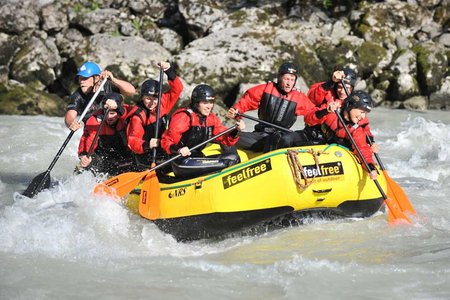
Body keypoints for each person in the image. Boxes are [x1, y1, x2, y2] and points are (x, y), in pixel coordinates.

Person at [226, 62, 315, 152]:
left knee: (279, 139)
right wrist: (236, 111)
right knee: (229, 136)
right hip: (260, 135)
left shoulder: (299, 98)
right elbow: (247, 100)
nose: (289, 83)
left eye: (292, 80)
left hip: (281, 138)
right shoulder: (266, 89)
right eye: (287, 79)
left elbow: (313, 113)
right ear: (280, 78)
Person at [161, 84, 245, 178]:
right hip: (182, 162)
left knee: (233, 157)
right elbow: (166, 141)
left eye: (211, 102)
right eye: (205, 103)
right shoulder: (183, 117)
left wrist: (236, 131)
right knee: (229, 162)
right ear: (196, 103)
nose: (209, 106)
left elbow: (225, 138)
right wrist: (179, 149)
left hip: (198, 158)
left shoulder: (210, 118)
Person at [305, 90, 378, 179]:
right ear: (351, 106)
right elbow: (308, 119)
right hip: (318, 144)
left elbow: (362, 148)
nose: (363, 116)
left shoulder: (357, 129)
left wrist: (370, 167)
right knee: (288, 139)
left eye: (365, 113)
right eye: (362, 112)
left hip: (338, 156)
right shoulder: (332, 109)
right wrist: (325, 111)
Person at [127, 61, 183, 169]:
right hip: (146, 156)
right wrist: (147, 144)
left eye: (155, 98)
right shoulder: (138, 117)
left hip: (163, 150)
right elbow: (132, 141)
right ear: (142, 97)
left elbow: (178, 89)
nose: (152, 102)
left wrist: (169, 71)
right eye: (148, 98)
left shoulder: (163, 104)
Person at [65, 61, 136, 132]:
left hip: (112, 130)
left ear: (96, 78)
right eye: (80, 78)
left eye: (85, 78)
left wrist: (113, 80)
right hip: (92, 132)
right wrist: (71, 123)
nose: (81, 81)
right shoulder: (78, 95)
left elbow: (131, 91)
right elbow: (70, 114)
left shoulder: (108, 85)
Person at [77, 92, 136, 176]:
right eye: (106, 113)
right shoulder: (95, 121)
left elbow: (138, 111)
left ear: (119, 112)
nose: (108, 116)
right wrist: (85, 155)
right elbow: (88, 140)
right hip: (105, 154)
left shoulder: (127, 116)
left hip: (125, 154)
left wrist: (116, 106)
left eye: (112, 113)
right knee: (89, 163)